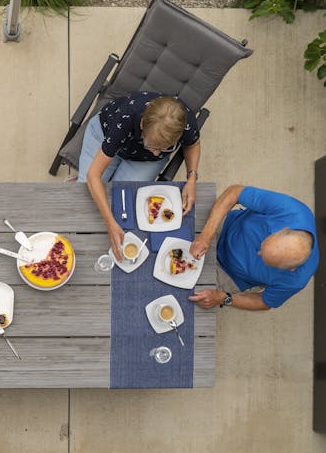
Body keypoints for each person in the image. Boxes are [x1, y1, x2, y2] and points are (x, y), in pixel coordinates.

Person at [77, 91, 201, 260]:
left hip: (142, 159)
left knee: (123, 200)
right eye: (153, 145)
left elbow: (193, 144)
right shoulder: (127, 116)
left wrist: (192, 178)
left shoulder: (186, 122)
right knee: (84, 189)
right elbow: (93, 175)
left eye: (165, 148)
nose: (158, 152)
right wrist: (110, 223)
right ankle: (76, 180)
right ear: (142, 124)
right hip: (106, 136)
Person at [188, 185, 319, 311]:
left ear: (291, 269)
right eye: (264, 244)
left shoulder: (296, 281)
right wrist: (207, 234)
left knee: (185, 295)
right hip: (225, 226)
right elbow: (235, 192)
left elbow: (264, 302)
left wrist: (224, 298)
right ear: (283, 230)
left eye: (266, 261)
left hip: (229, 276)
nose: (258, 252)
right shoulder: (291, 210)